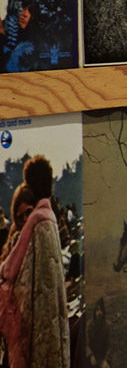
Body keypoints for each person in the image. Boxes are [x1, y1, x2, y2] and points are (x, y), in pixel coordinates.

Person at [0, 155, 69, 368]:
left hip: (38, 322)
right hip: (51, 316)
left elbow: (11, 271)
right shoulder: (50, 218)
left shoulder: (36, 221)